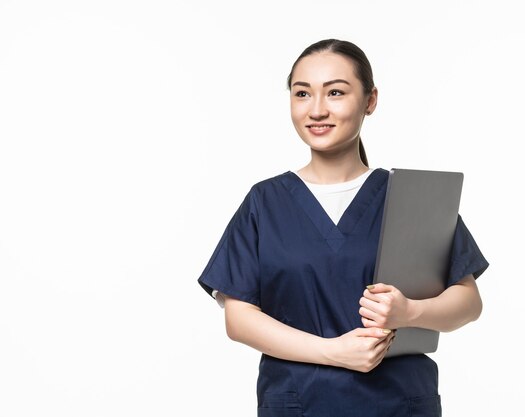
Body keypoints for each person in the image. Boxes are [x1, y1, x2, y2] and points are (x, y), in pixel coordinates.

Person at [197, 38, 489, 417]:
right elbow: (238, 319)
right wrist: (334, 352)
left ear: (370, 100)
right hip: (299, 403)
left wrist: (409, 312)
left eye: (335, 92)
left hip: (399, 403)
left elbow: (469, 302)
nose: (317, 110)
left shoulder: (411, 198)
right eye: (302, 94)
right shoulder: (265, 202)